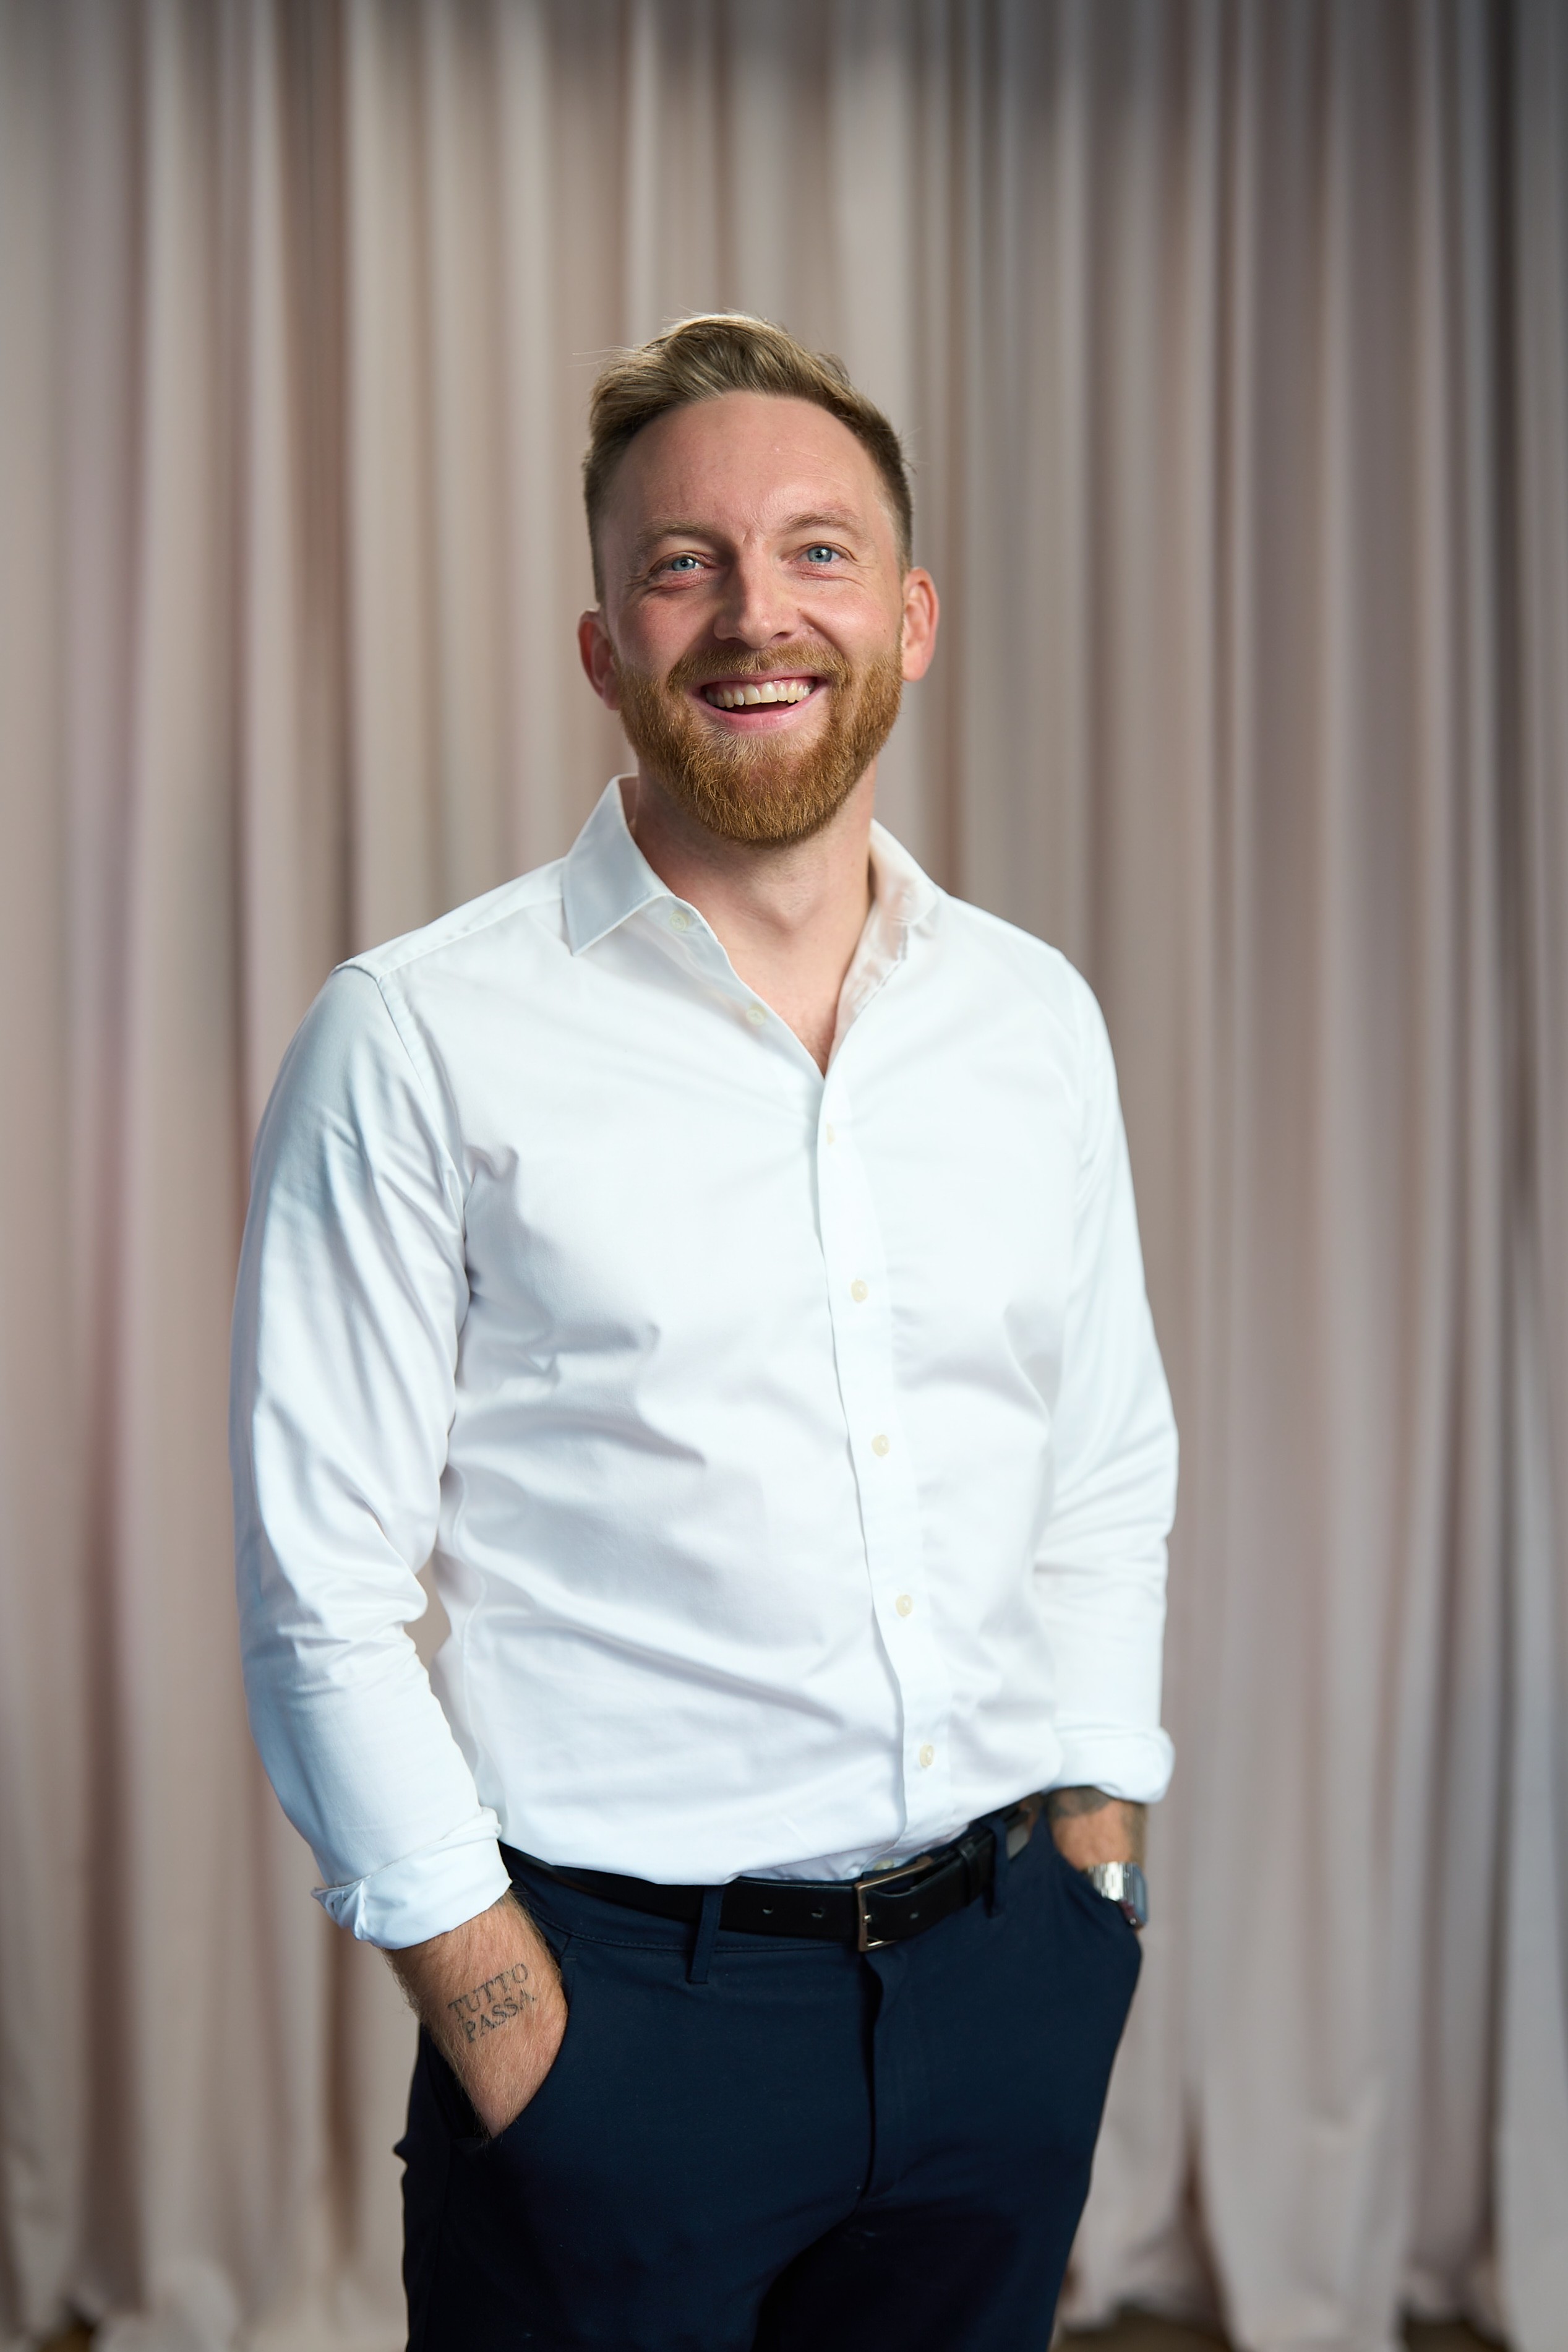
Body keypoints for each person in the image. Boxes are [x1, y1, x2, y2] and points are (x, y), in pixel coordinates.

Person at [231, 313, 1176, 2352]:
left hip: (1004, 1992)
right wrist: (514, 2039)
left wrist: (1094, 1888)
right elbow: (320, 1588)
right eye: (687, 563)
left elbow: (1102, 1465)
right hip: (610, 2036)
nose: (760, 613)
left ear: (911, 618)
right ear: (603, 642)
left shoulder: (1033, 1022)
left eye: (819, 552)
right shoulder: (413, 1037)